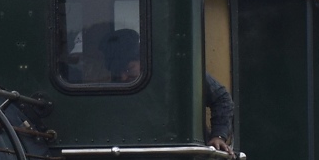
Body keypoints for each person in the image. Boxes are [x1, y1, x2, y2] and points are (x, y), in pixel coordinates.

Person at [98, 28, 233, 150]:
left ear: (143, 59)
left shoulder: (176, 69)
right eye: (118, 72)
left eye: (129, 69)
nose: (123, 77)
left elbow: (221, 98)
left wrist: (218, 136)